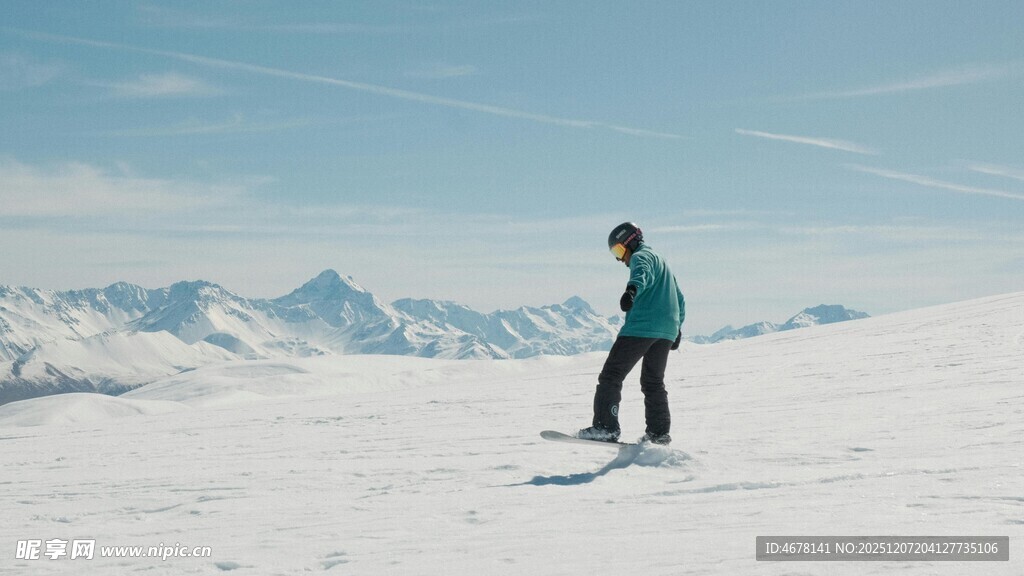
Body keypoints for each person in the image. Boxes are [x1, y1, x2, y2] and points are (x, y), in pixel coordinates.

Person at [577, 222, 685, 445]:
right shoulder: (663, 261)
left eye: (618, 251)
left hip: (642, 326)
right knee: (653, 382)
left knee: (611, 375)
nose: (619, 259)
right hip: (666, 330)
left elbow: (641, 272)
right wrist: (677, 328)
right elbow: (679, 297)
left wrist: (631, 291)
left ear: (630, 242)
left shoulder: (640, 256)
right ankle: (659, 434)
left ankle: (606, 427)